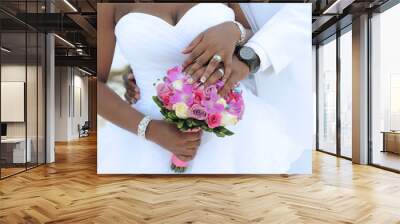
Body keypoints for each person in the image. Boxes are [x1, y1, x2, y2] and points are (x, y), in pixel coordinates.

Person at [98, 3, 304, 174]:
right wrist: (151, 130)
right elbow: (94, 83)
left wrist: (234, 31)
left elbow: (254, 35)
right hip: (148, 134)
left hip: (236, 135)